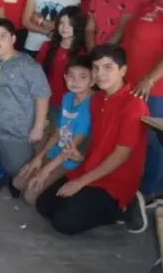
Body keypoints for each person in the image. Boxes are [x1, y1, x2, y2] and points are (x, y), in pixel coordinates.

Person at [36, 44, 150, 235]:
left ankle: (124, 208)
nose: (100, 74)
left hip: (115, 181)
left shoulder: (133, 106)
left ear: (123, 70)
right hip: (89, 168)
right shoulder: (97, 99)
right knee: (44, 205)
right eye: (96, 68)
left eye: (108, 67)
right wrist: (80, 158)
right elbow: (98, 143)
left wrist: (79, 183)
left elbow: (121, 155)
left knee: (63, 222)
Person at [0, 19, 51, 186]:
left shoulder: (28, 65)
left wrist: (38, 128)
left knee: (20, 179)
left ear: (13, 39)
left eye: (2, 36)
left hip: (15, 134)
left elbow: (42, 95)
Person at [13, 56, 93, 205]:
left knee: (31, 196)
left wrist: (46, 170)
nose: (76, 81)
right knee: (18, 183)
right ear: (65, 77)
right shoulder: (67, 97)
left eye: (83, 77)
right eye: (71, 76)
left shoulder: (90, 104)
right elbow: (58, 132)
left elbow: (72, 146)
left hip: (71, 159)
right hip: (56, 151)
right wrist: (39, 157)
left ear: (93, 80)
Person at [123, 0, 163, 204]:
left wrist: (149, 79)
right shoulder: (146, 5)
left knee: (154, 141)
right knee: (136, 139)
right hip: (133, 84)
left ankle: (153, 190)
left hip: (156, 88)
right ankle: (139, 183)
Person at [36, 7, 86, 117]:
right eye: (62, 23)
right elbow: (37, 75)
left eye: (70, 23)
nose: (65, 27)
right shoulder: (47, 47)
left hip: (69, 103)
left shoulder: (82, 54)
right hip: (45, 99)